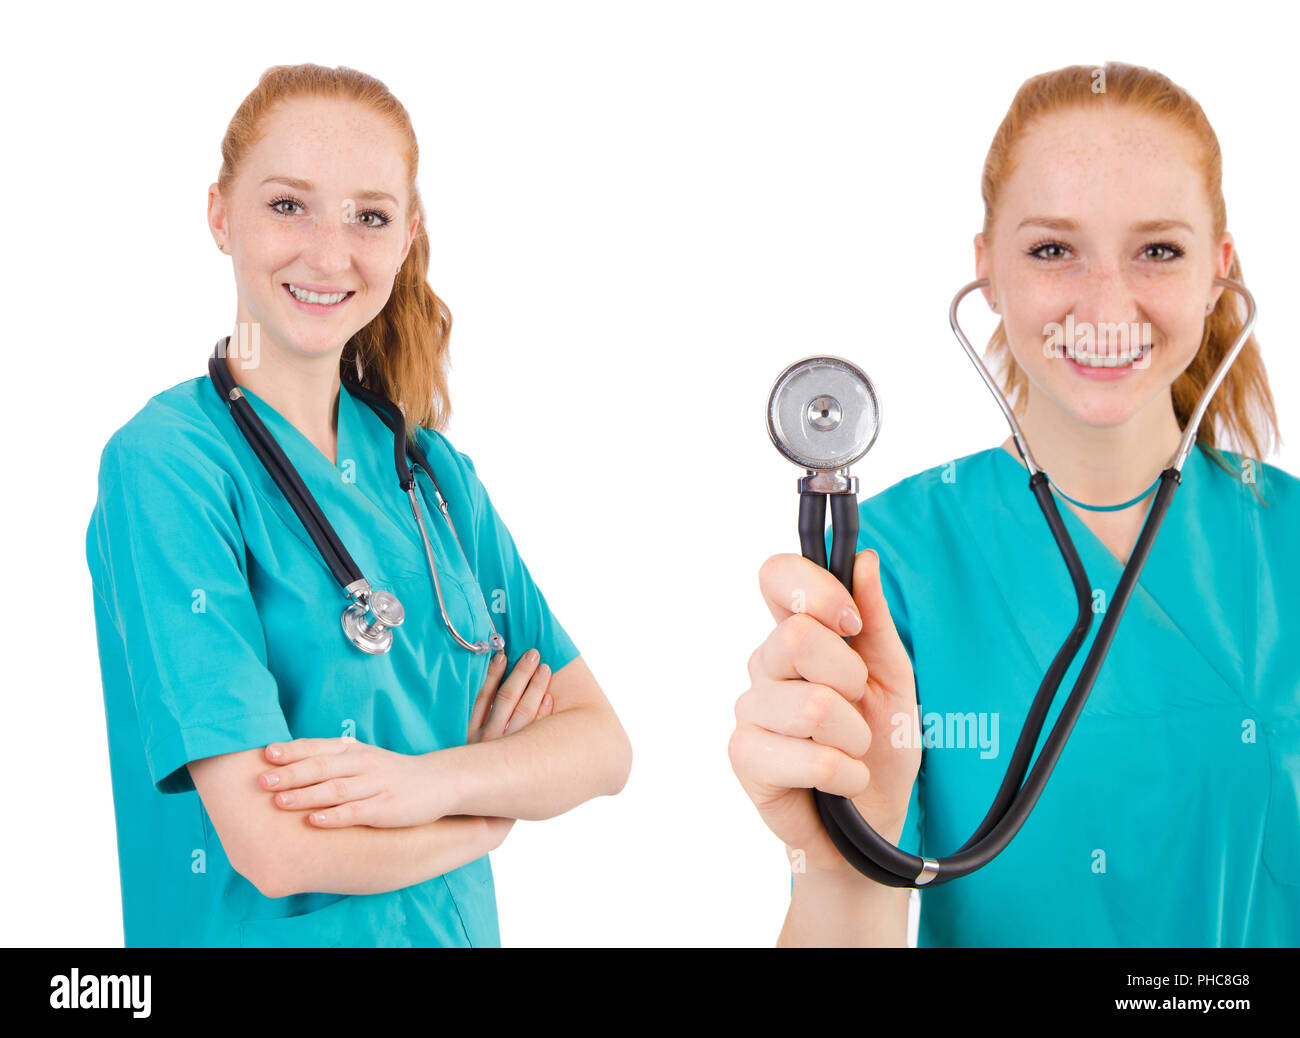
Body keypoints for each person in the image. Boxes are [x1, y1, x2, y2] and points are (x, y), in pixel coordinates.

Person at [729, 62, 1298, 947]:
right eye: (1051, 250)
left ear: (1218, 275)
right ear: (987, 270)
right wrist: (847, 861)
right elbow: (861, 912)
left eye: (1158, 250)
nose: (1106, 302)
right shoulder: (885, 564)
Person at [85, 63, 632, 948]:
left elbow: (602, 748)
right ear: (220, 213)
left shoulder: (432, 477)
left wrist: (433, 785)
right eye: (288, 205)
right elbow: (275, 849)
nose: (329, 253)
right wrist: (489, 814)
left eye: (369, 217)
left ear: (407, 236)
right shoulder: (169, 466)